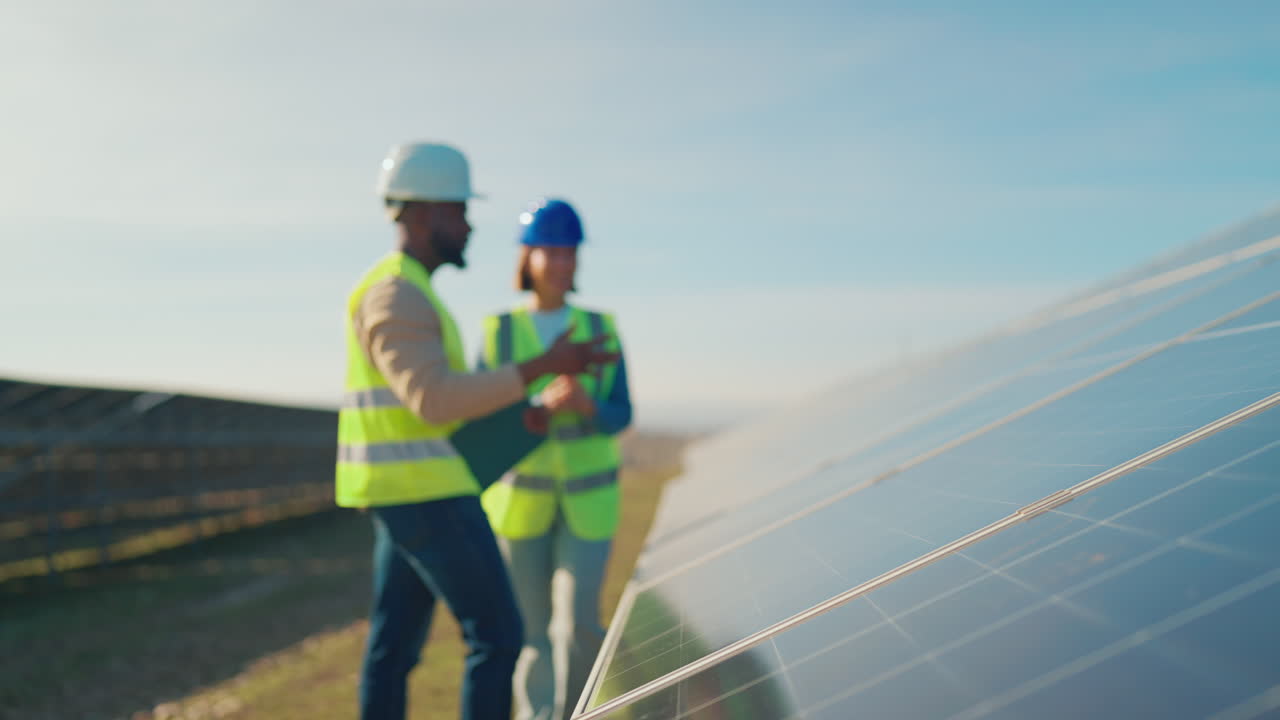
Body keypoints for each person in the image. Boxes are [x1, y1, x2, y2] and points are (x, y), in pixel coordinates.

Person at [335, 145, 616, 720]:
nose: (468, 225)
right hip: (426, 495)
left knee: (394, 649)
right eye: (460, 212)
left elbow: (440, 409)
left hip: (406, 493)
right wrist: (544, 366)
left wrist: (527, 419)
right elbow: (434, 400)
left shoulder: (409, 289)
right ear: (425, 214)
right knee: (498, 636)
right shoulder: (396, 294)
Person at [476, 198, 633, 720]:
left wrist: (590, 407)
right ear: (528, 257)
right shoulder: (498, 333)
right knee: (531, 631)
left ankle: (580, 714)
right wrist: (541, 405)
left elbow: (623, 412)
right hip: (521, 506)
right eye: (551, 251)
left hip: (589, 505)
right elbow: (481, 418)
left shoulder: (602, 327)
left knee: (580, 623)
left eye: (570, 252)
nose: (562, 263)